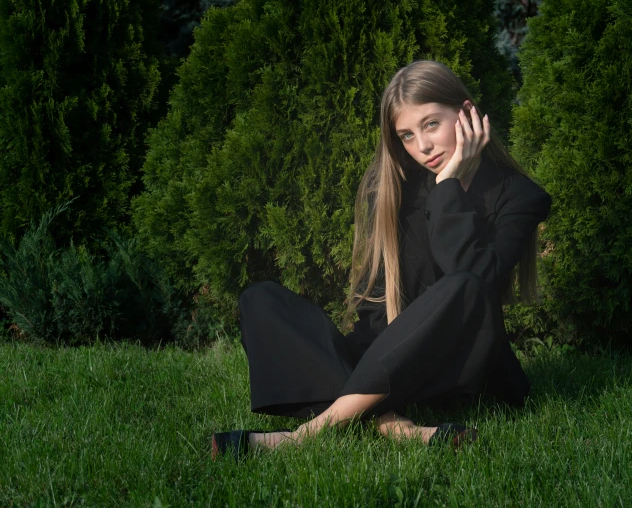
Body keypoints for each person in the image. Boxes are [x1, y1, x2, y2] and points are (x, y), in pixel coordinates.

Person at [211, 60, 551, 458]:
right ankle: (393, 424)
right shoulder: (395, 186)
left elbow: (475, 281)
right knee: (260, 299)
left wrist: (448, 188)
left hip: (453, 366)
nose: (421, 147)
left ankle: (303, 437)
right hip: (386, 353)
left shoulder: (519, 195)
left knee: (464, 285)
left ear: (465, 114)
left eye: (430, 125)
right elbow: (375, 314)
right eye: (406, 135)